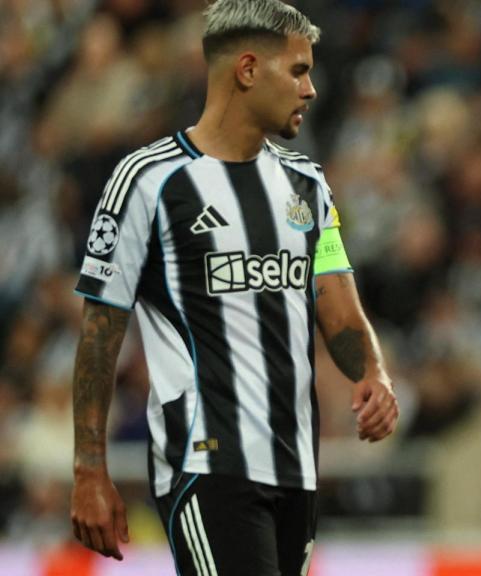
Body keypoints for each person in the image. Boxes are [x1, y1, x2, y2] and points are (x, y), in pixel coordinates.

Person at [69, 1, 399, 574]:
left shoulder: (308, 186)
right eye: (298, 71)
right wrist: (89, 470)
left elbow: (335, 299)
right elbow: (101, 332)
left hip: (297, 466)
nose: (311, 89)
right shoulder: (148, 182)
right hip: (207, 464)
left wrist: (372, 371)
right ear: (247, 70)